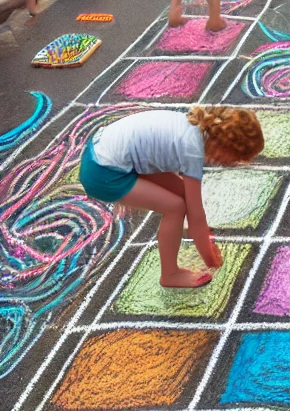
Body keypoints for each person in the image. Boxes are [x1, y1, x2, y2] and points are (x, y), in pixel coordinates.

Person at [79, 106, 263, 288]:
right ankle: (170, 275)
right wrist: (210, 257)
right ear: (223, 147)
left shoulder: (194, 128)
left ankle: (182, 232)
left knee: (182, 193)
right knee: (175, 207)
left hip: (98, 152)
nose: (230, 164)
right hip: (103, 174)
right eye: (233, 159)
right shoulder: (192, 150)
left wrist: (201, 231)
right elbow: (196, 212)